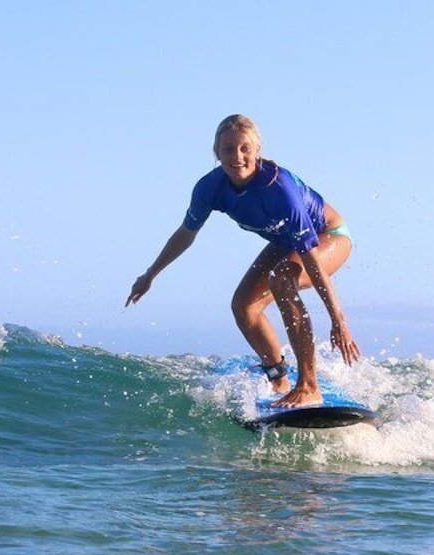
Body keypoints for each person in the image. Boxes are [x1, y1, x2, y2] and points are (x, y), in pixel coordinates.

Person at [125, 114, 360, 407]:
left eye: (245, 148)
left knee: (282, 279)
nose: (237, 157)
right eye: (228, 149)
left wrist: (338, 320)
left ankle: (309, 386)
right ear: (216, 153)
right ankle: (279, 378)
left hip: (329, 236)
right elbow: (186, 234)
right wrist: (150, 275)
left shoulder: (279, 189)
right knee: (244, 305)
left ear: (257, 151)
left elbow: (311, 258)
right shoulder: (210, 188)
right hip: (284, 242)